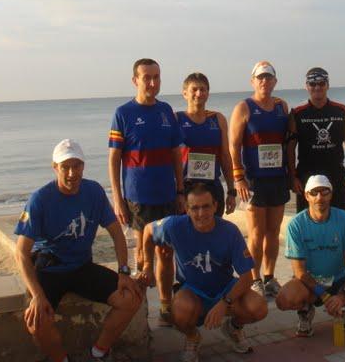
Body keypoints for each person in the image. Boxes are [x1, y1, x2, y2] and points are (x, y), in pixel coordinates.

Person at [15, 139, 142, 362]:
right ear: (55, 167)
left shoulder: (93, 192)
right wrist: (36, 295)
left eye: (77, 165)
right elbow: (21, 253)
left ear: (83, 166)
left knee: (131, 299)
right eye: (65, 166)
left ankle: (99, 352)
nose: (72, 173)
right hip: (50, 270)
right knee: (37, 323)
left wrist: (124, 271)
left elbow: (116, 233)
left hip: (82, 267)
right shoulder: (40, 200)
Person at [139, 183, 267, 362]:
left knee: (259, 306)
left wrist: (224, 303)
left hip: (224, 288)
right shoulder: (175, 225)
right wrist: (147, 265)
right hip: (193, 290)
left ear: (215, 206)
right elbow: (148, 230)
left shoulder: (229, 231)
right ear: (186, 209)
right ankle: (192, 337)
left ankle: (234, 328)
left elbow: (246, 277)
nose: (201, 213)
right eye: (195, 208)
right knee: (178, 312)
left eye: (206, 206)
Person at [108, 58, 184, 325]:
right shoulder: (123, 113)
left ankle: (165, 306)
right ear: (135, 80)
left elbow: (176, 155)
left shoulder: (166, 111)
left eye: (157, 77)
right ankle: (139, 314)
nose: (152, 82)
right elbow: (114, 159)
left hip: (167, 195)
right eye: (147, 77)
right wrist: (117, 198)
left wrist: (181, 191)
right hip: (138, 198)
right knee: (143, 257)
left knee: (166, 253)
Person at [275, 175, 345, 337]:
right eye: (314, 193)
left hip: (339, 280)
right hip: (310, 283)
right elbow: (300, 272)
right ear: (306, 196)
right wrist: (325, 295)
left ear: (331, 194)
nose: (319, 197)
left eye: (324, 192)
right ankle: (306, 310)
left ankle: (343, 309)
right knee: (283, 300)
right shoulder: (296, 225)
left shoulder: (343, 218)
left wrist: (343, 295)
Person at [229, 61, 290, 297]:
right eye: (260, 78)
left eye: (269, 77)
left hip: (277, 178)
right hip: (253, 181)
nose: (264, 81)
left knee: (273, 232)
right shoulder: (243, 108)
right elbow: (233, 145)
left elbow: (288, 142)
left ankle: (269, 276)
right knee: (256, 234)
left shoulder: (281, 107)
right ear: (253, 81)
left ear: (275, 81)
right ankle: (254, 280)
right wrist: (238, 177)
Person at [287, 67, 345, 213]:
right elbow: (290, 148)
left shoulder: (341, 111)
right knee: (307, 222)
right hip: (307, 176)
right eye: (313, 84)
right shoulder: (297, 113)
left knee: (340, 220)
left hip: (335, 174)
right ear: (306, 86)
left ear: (327, 85)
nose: (317, 87)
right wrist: (292, 177)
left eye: (321, 83)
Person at [176, 72, 236, 216]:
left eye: (203, 89)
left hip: (212, 187)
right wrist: (178, 192)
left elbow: (225, 157)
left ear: (208, 93)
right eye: (194, 89)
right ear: (185, 93)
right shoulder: (176, 119)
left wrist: (231, 191)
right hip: (186, 188)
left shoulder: (218, 119)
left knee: (213, 234)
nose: (199, 93)